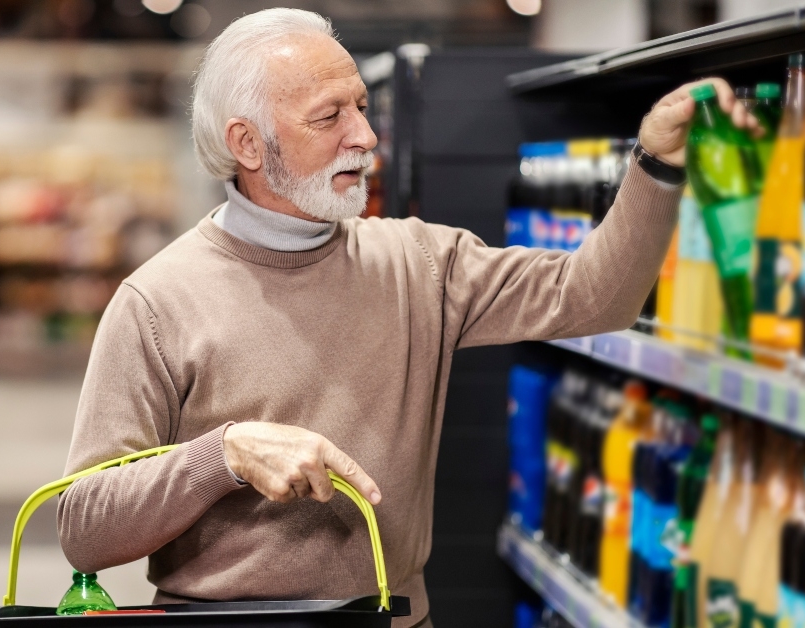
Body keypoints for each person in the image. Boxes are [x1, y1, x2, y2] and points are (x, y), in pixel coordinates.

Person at [56, 8, 758, 628]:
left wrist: (657, 164)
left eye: (361, 108)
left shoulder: (419, 262)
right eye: (329, 117)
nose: (364, 136)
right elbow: (85, 528)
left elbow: (594, 296)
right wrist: (226, 455)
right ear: (247, 145)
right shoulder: (157, 302)